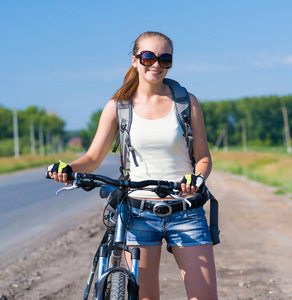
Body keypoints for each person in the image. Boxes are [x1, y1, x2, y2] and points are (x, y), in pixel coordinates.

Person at [48, 31, 217, 300]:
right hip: (138, 214)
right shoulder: (118, 106)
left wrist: (196, 179)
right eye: (148, 57)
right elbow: (92, 157)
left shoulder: (186, 102)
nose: (156, 65)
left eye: (165, 59)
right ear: (135, 60)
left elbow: (204, 157)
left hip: (186, 211)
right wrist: (67, 168)